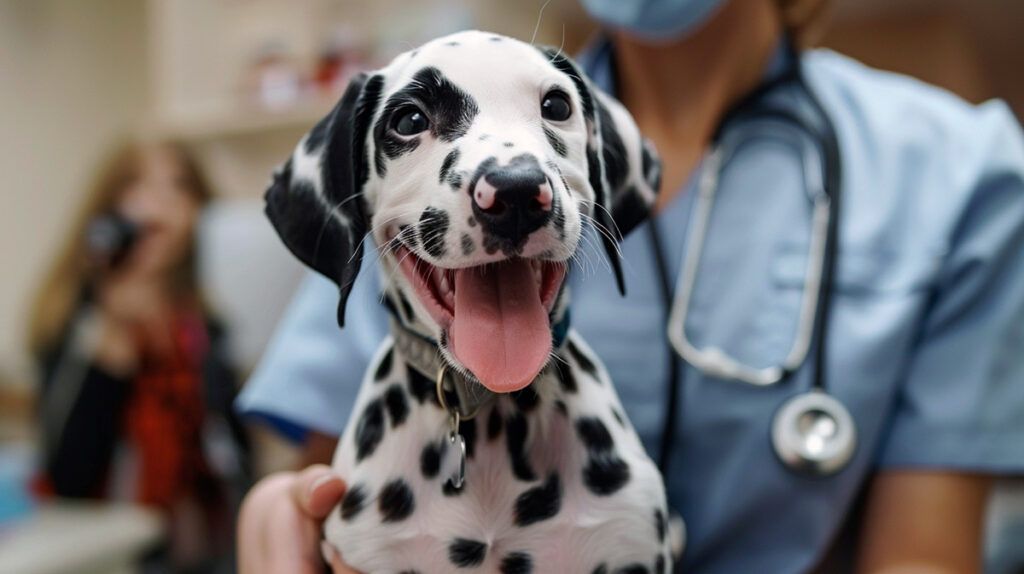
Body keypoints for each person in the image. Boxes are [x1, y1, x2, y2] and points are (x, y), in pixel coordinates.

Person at [236, 0, 1024, 571]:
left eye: (551, 113)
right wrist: (282, 515)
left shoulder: (959, 174)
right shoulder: (392, 173)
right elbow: (324, 472)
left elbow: (923, 559)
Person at [29, 139, 250, 571]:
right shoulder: (73, 321)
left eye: (178, 187)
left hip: (213, 553)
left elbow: (233, 454)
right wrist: (107, 356)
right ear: (107, 208)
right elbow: (66, 479)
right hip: (111, 556)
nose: (159, 204)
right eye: (138, 186)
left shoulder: (204, 327)